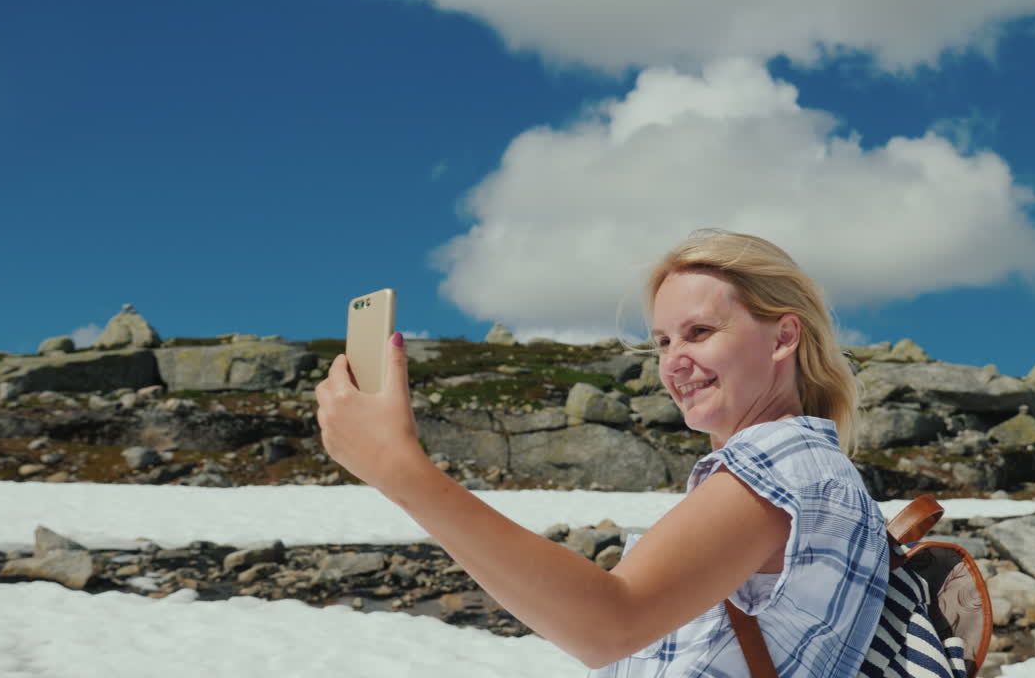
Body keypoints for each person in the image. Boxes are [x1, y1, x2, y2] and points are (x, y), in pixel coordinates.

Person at [315, 229, 891, 676]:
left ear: (784, 337)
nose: (672, 362)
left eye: (698, 333)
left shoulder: (786, 460)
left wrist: (401, 469)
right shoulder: (799, 468)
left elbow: (609, 622)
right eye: (663, 341)